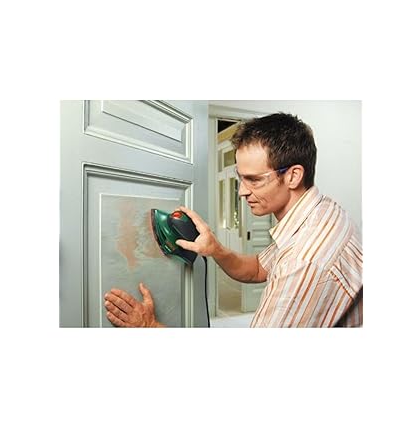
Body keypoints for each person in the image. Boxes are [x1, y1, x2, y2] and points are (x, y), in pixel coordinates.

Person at [104, 113, 363, 327]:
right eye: (240, 177)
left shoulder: (303, 262)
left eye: (254, 180)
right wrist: (215, 249)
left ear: (293, 176)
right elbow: (258, 269)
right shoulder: (321, 211)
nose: (241, 191)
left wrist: (148, 326)